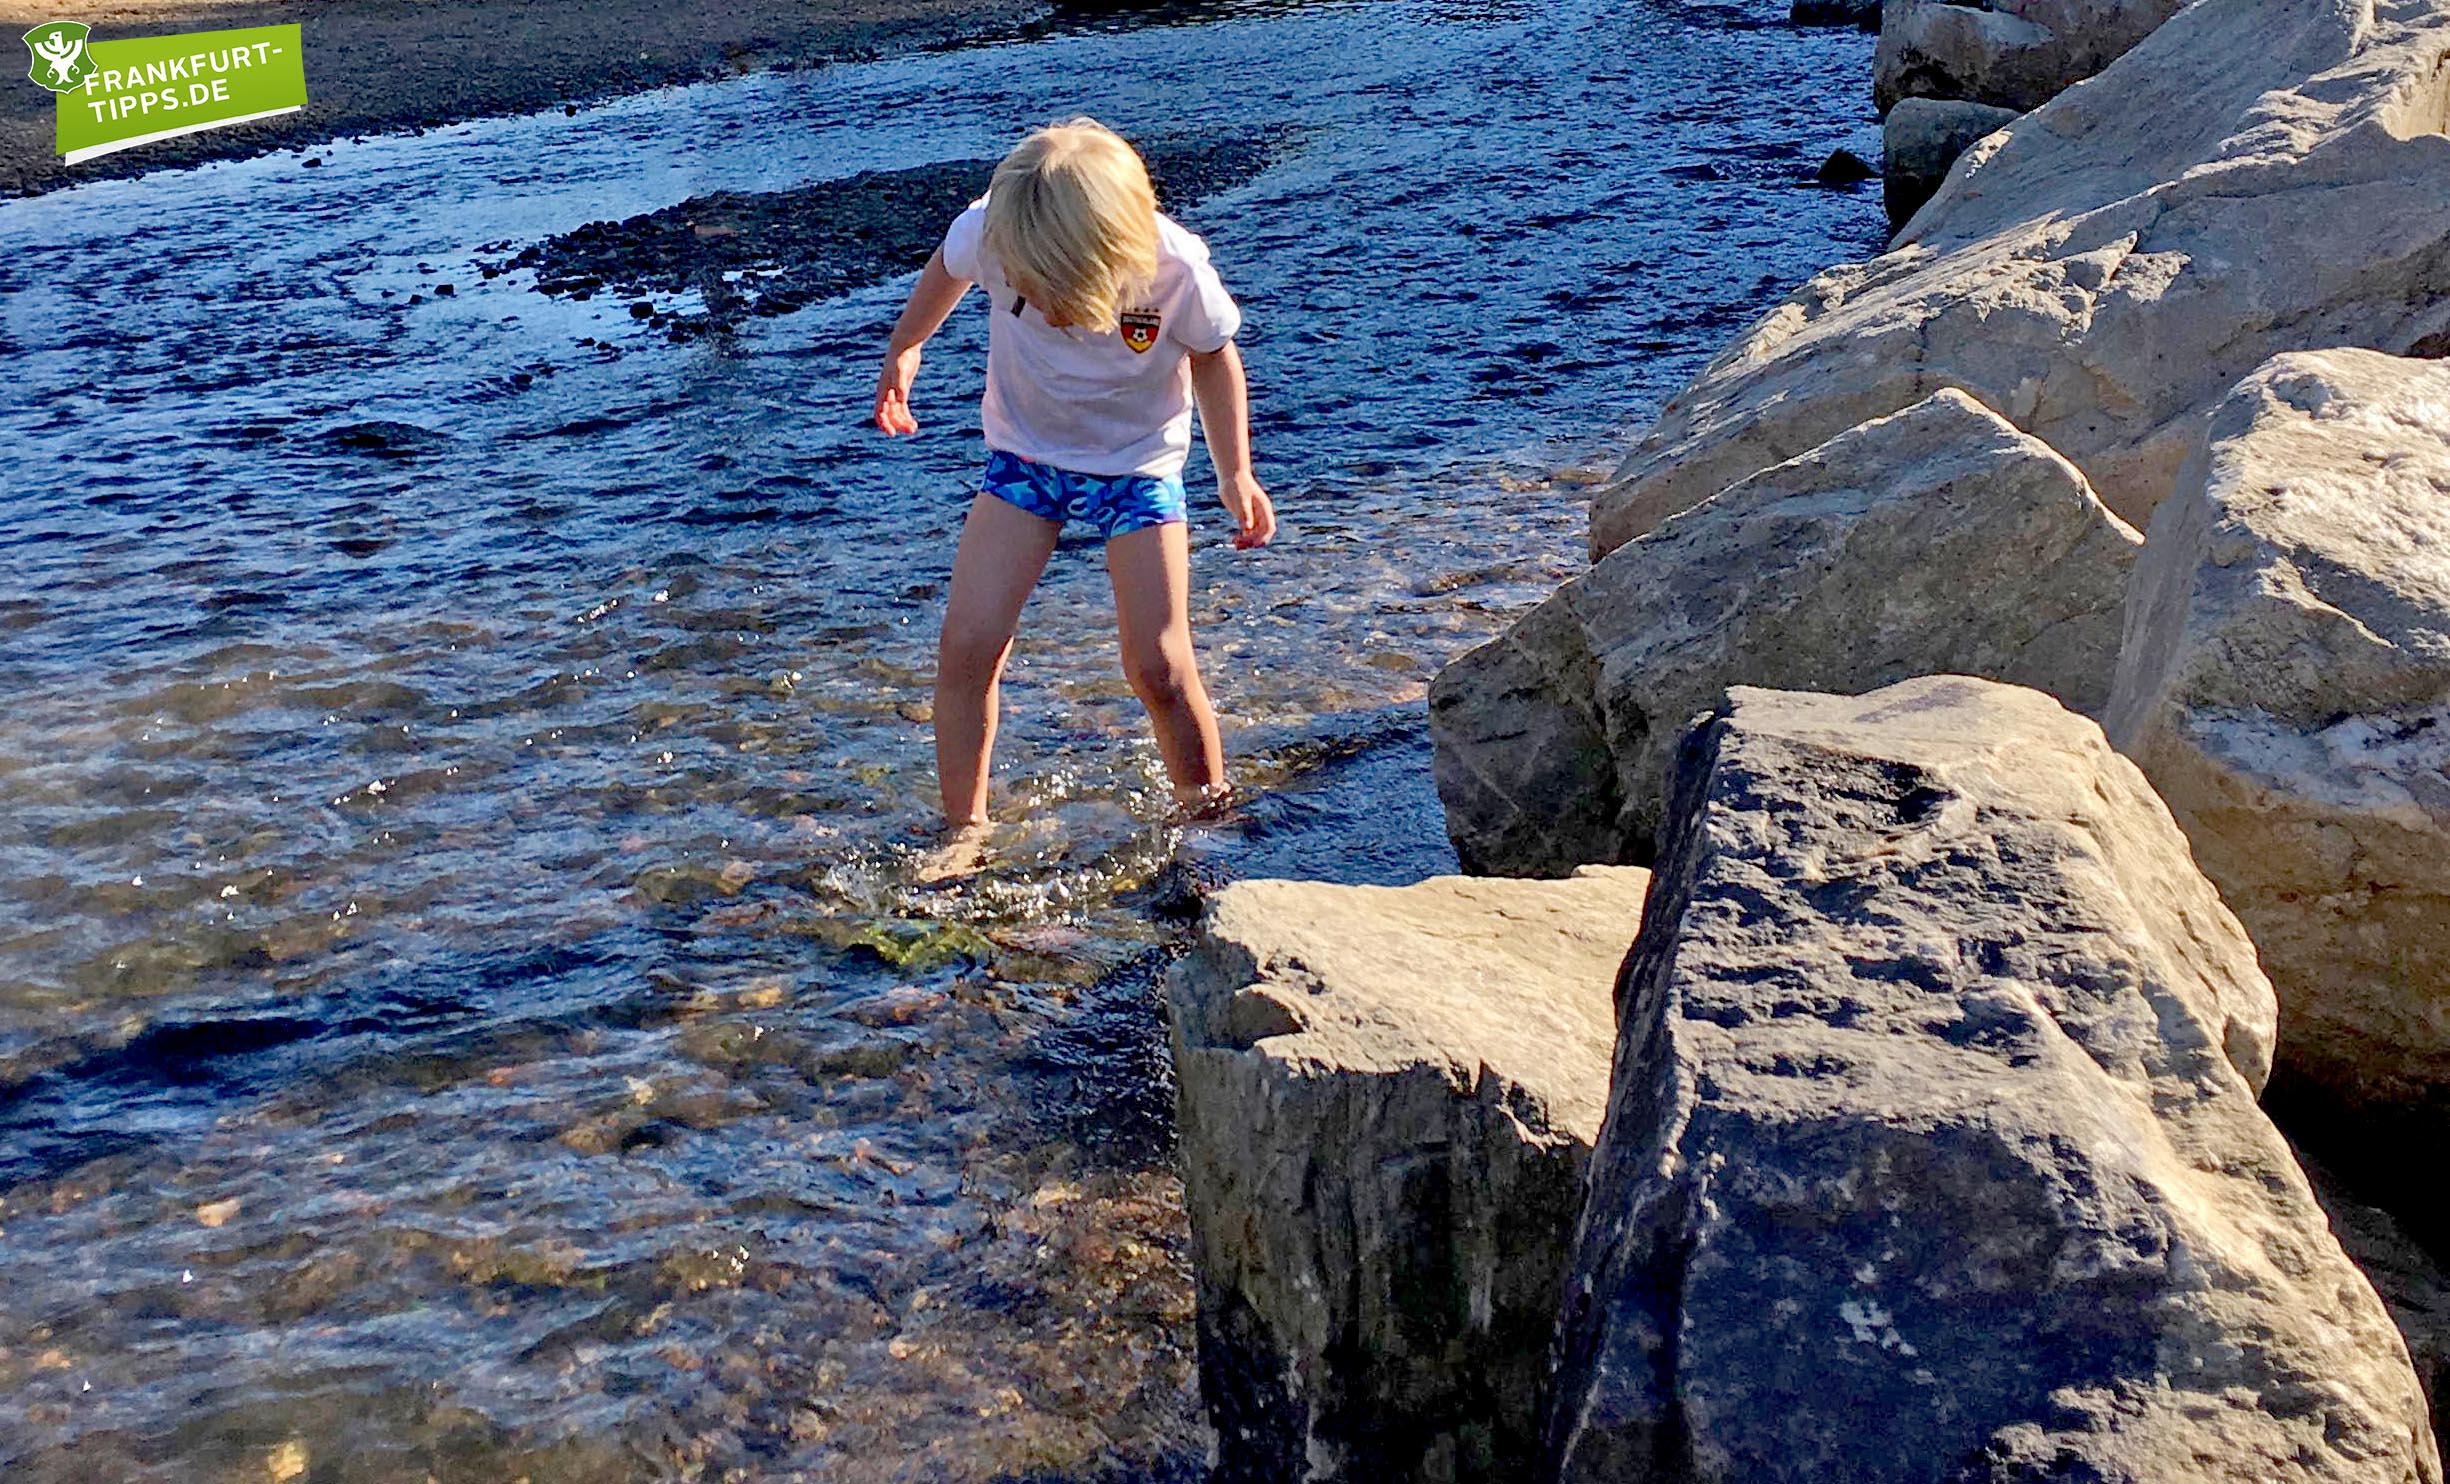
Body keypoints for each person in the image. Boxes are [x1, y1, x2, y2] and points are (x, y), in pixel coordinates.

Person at [872, 116, 1275, 876]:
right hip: (1028, 458)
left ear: (1112, 257)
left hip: (1138, 467)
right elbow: (945, 270)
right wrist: (907, 347)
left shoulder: (1173, 266)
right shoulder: (993, 230)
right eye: (1025, 290)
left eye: (1056, 292)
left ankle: (1205, 816)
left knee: (1156, 662)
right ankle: (965, 831)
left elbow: (1218, 361)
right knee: (967, 643)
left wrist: (1234, 472)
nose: (1043, 307)